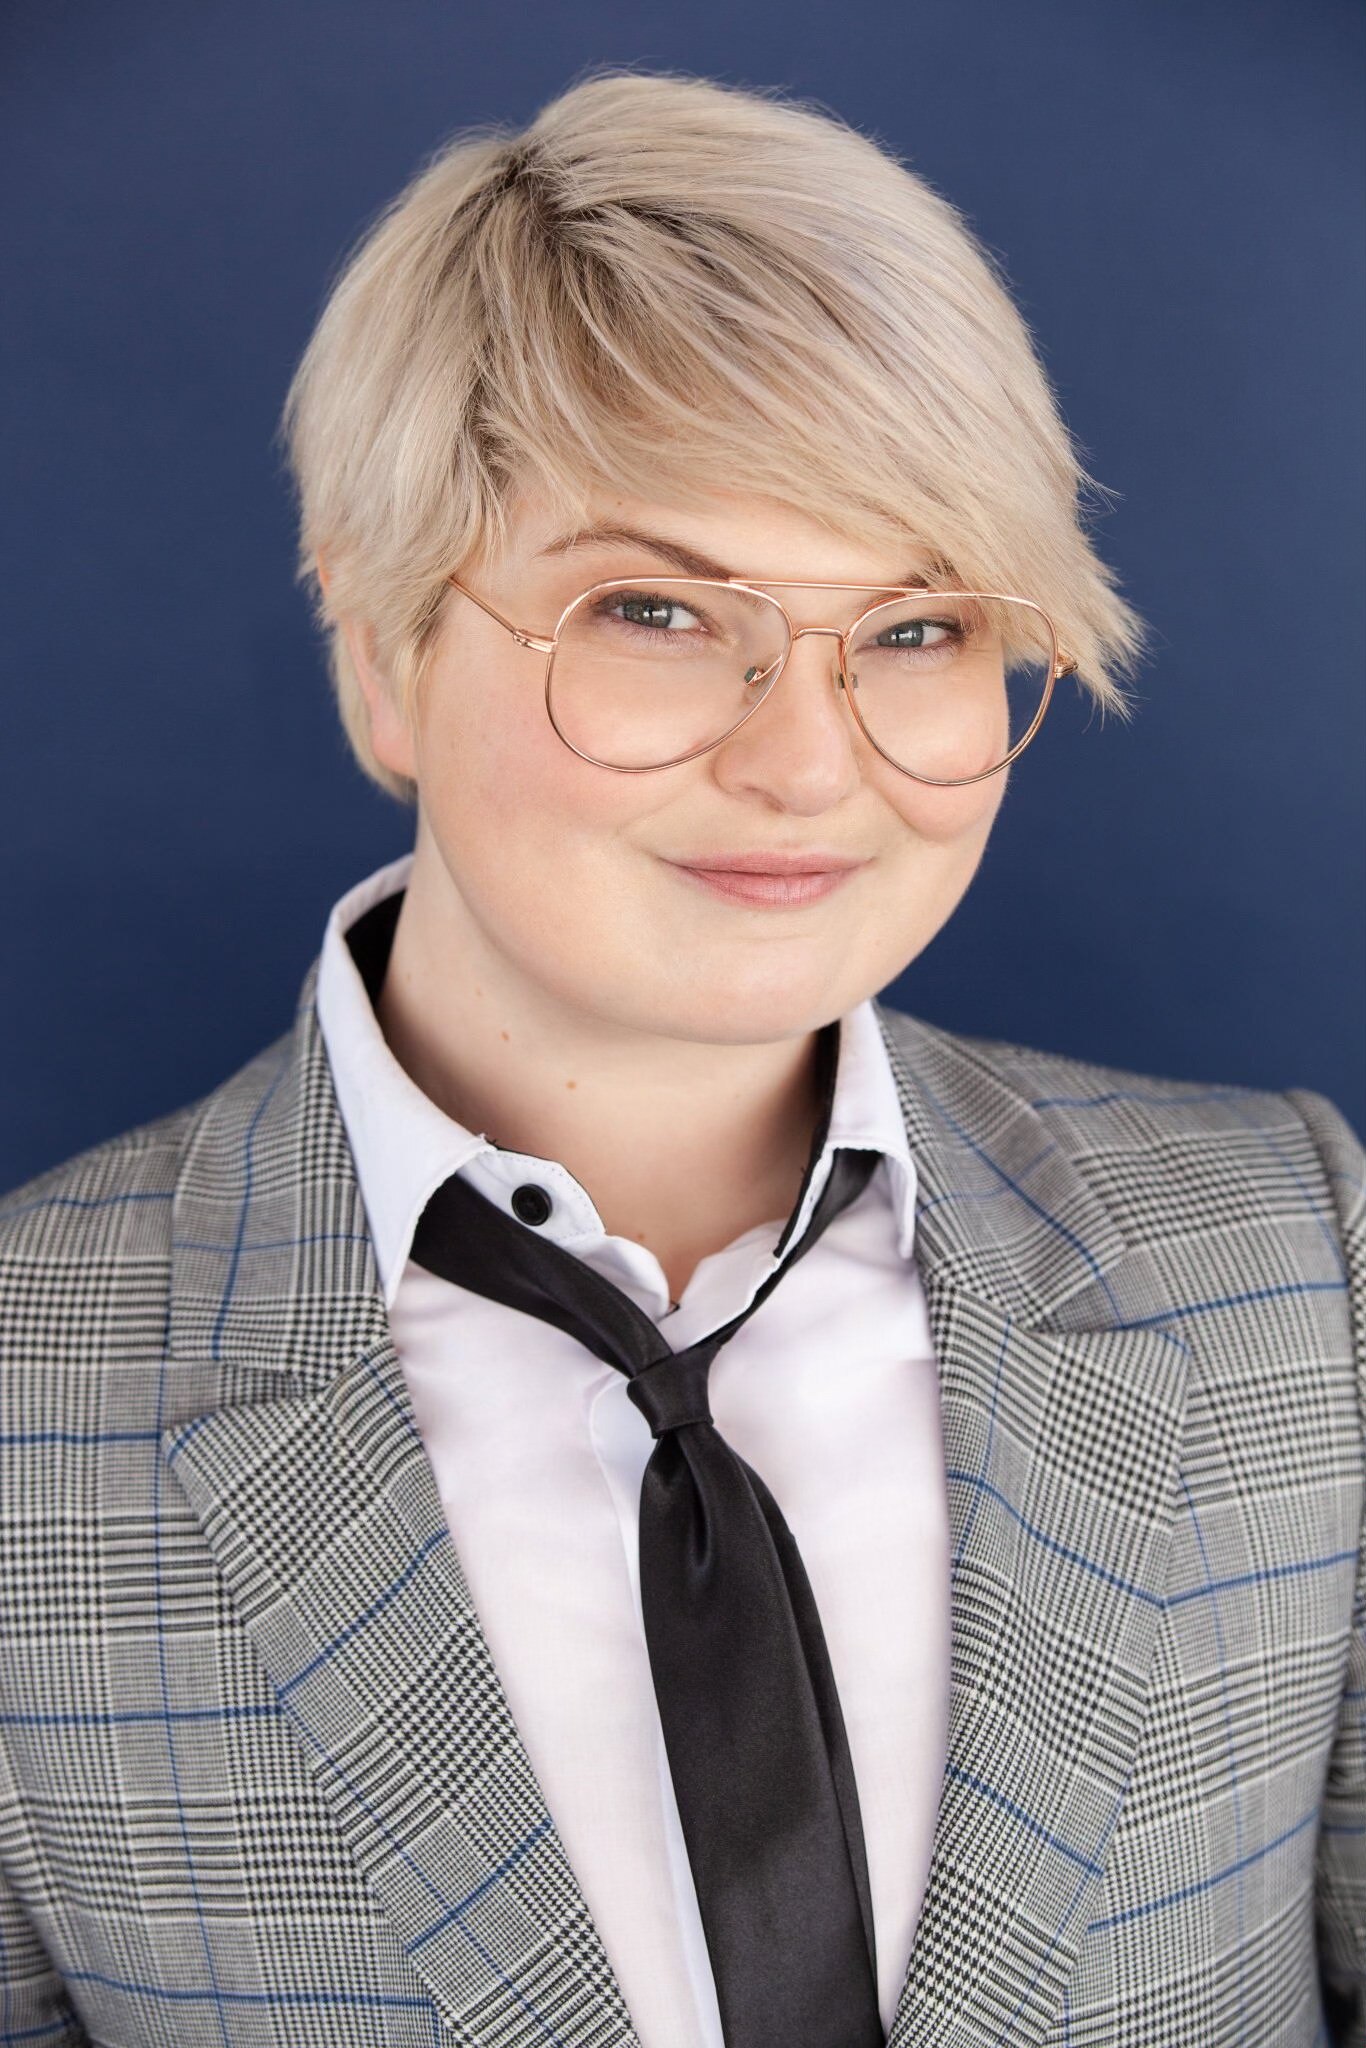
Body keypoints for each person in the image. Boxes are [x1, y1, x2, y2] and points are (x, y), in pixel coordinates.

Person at [0, 64, 1361, 2048]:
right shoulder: (28, 1402)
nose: (806, 761)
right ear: (380, 646)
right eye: (651, 608)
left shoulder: (1293, 1269)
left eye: (913, 628)